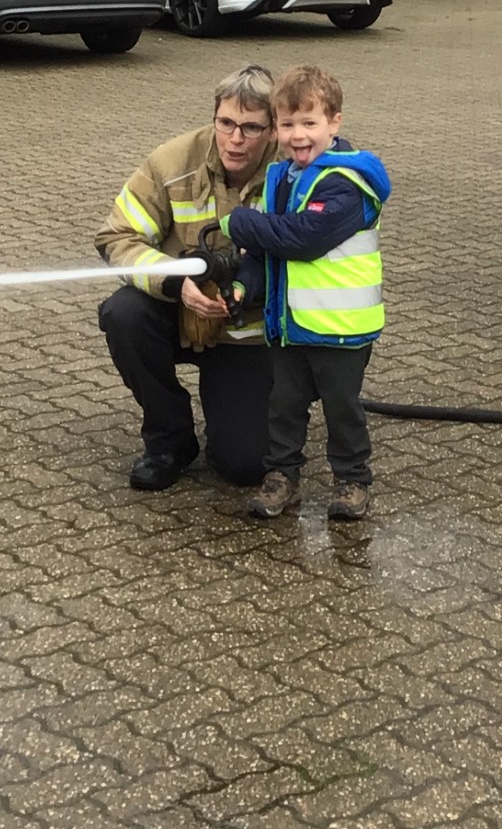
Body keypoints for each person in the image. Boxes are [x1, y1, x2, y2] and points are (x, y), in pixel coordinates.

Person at [96, 64, 278, 491]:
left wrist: (248, 286)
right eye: (226, 123)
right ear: (213, 116)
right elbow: (116, 236)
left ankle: (246, 421)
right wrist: (176, 283)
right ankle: (169, 440)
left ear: (273, 130)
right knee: (124, 314)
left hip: (249, 332)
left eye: (251, 128)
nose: (236, 138)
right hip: (177, 312)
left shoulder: (293, 172)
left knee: (246, 466)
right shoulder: (172, 162)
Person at [223, 64, 391, 522]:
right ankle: (282, 478)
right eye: (287, 124)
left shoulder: (348, 182)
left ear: (334, 122)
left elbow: (302, 237)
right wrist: (243, 284)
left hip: (341, 329)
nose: (298, 136)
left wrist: (240, 222)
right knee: (284, 405)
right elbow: (266, 248)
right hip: (291, 325)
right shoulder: (282, 178)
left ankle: (352, 479)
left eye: (309, 123)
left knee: (342, 409)